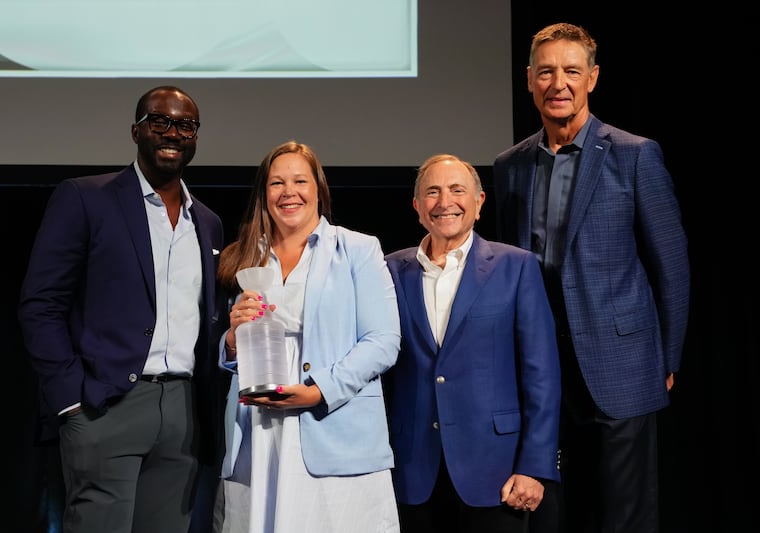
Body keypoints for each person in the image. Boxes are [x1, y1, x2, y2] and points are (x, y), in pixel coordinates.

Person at [491, 23, 691, 533]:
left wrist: (666, 358)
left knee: (625, 518)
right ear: (529, 80)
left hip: (621, 363)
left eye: (572, 71)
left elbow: (670, 264)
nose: (559, 83)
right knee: (553, 513)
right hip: (540, 366)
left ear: (593, 78)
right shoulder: (510, 165)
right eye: (547, 71)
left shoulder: (633, 154)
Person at [18, 85, 226, 533]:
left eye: (185, 125)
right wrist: (71, 400)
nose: (173, 132)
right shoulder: (86, 197)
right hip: (105, 405)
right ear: (137, 131)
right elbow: (41, 304)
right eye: (160, 121)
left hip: (184, 414)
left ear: (195, 137)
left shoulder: (207, 222)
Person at [213, 141, 401, 533]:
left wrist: (318, 391)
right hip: (260, 432)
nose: (289, 192)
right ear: (264, 194)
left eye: (300, 180)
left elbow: (383, 340)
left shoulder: (358, 249)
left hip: (333, 425)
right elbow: (233, 348)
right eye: (277, 183)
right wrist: (232, 340)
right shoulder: (247, 255)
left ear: (319, 188)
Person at [384, 154, 562, 533]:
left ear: (479, 204)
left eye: (457, 190)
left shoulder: (516, 267)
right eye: (432, 192)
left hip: (496, 472)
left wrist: (534, 465)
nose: (444, 201)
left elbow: (541, 376)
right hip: (412, 469)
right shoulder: (388, 271)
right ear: (417, 207)